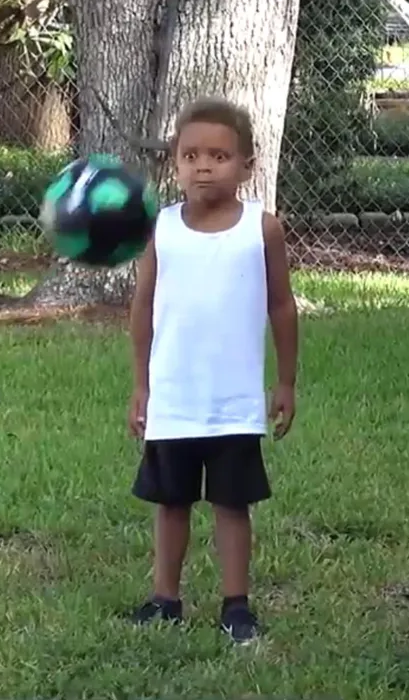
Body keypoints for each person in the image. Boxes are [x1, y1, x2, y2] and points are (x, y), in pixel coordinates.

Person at [127, 96, 298, 644]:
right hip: (175, 402)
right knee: (171, 502)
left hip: (234, 404)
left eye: (220, 156)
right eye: (191, 155)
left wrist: (287, 381)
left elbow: (281, 307)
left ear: (247, 166)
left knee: (231, 504)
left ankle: (236, 606)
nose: (203, 166)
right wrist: (141, 386)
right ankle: (165, 599)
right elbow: (143, 308)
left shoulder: (262, 229)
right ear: (174, 163)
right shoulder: (163, 228)